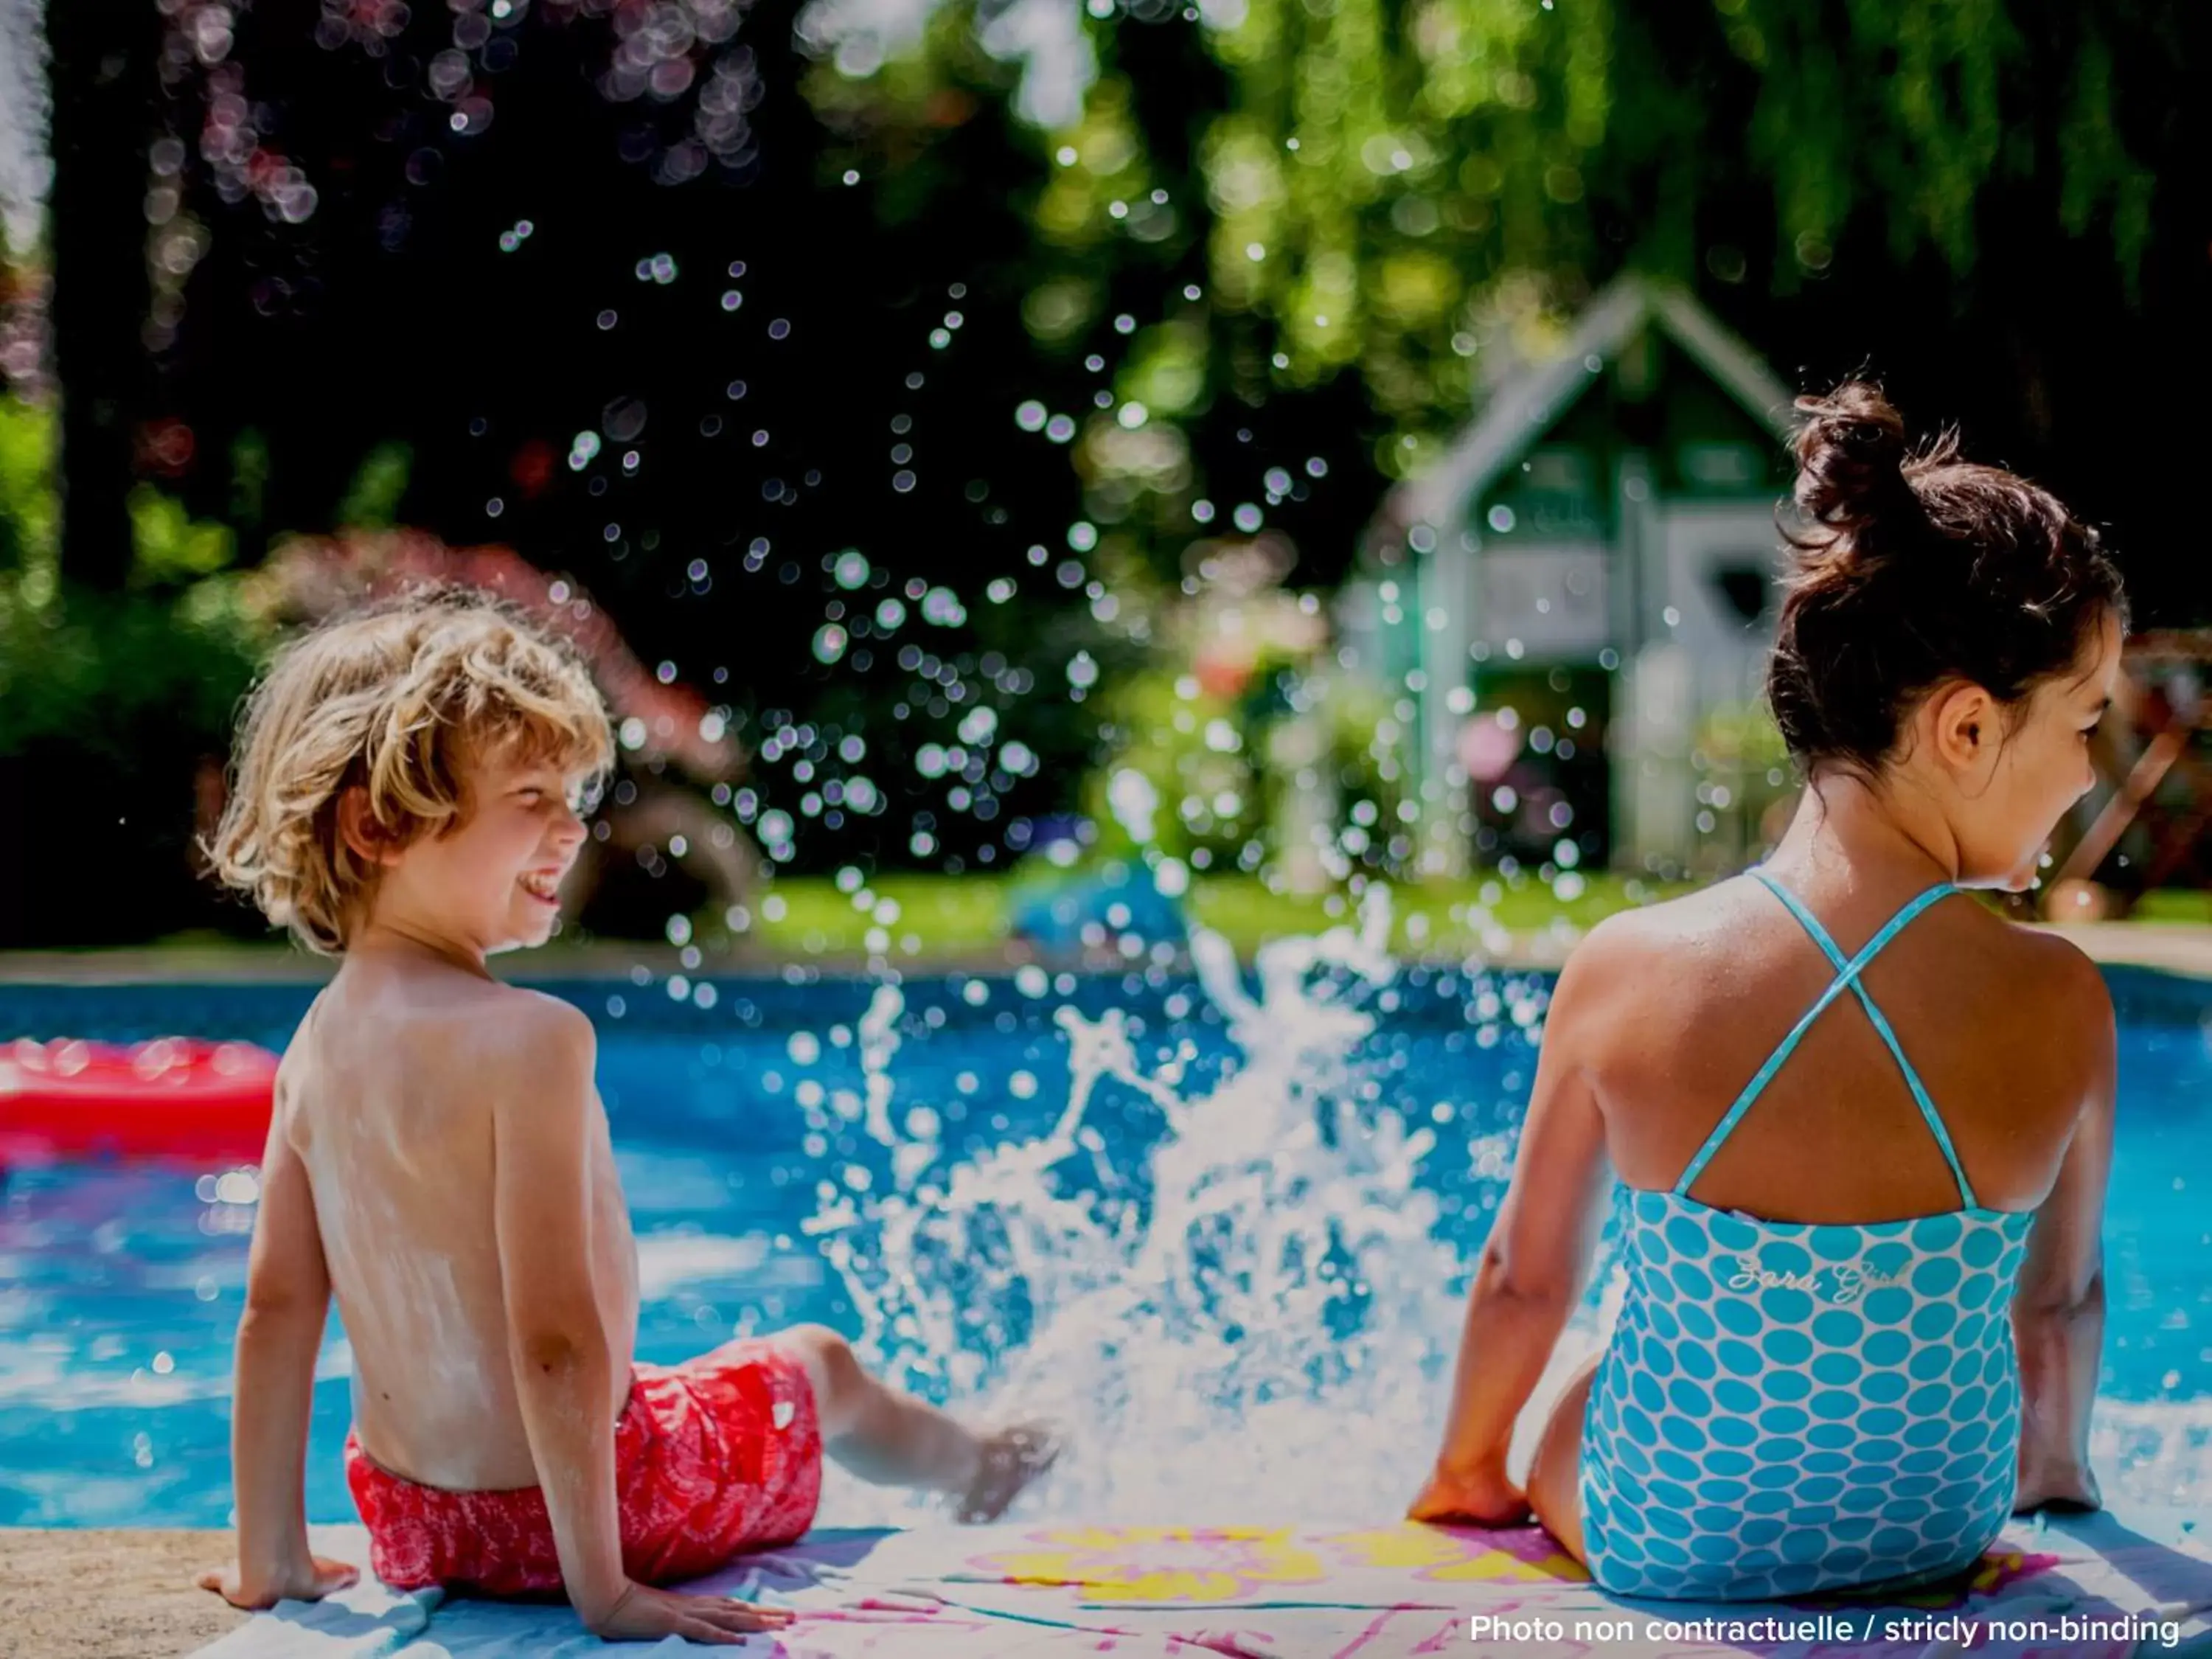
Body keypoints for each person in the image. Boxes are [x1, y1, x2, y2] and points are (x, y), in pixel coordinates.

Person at [194, 588, 1054, 1644]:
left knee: (665, 1384)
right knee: (819, 1360)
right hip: (608, 1517)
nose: (571, 825)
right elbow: (554, 1338)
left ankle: (981, 1460)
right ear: (379, 823)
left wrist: (267, 1555)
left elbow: (274, 1309)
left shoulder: (316, 1047)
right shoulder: (531, 1038)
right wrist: (602, 1589)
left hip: (412, 1521)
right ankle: (985, 1467)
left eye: (572, 793)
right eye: (529, 792)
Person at [1409, 383, 2125, 1602]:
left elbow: (1524, 1280)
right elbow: (2053, 1307)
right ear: (1964, 727)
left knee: (1585, 1362)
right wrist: (2052, 1472)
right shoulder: (2063, 999)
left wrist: (1471, 1475)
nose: (2085, 771)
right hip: (1938, 1527)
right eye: (2083, 723)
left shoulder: (1629, 967)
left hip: (1670, 1537)